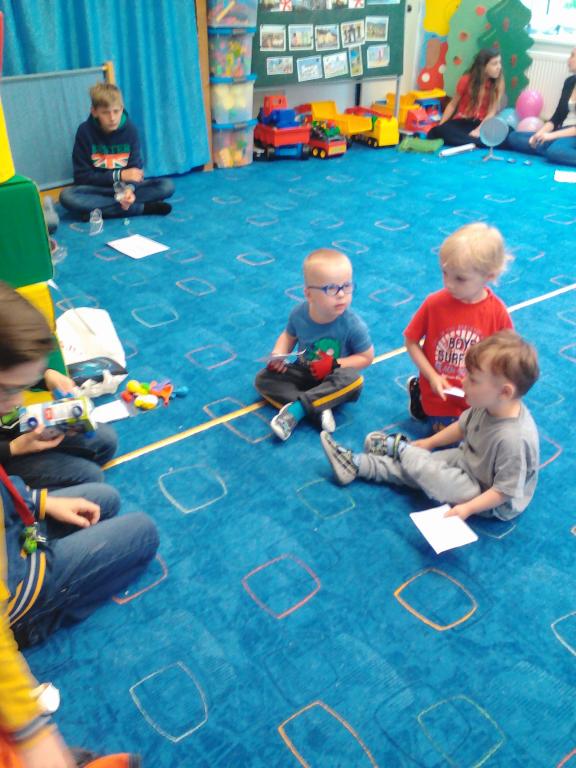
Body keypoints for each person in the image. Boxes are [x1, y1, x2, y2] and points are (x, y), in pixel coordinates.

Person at [0, 298, 159, 768]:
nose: (18, 401)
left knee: (102, 499)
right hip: (13, 584)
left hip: (13, 521)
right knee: (142, 534)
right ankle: (33, 621)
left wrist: (42, 503)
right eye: (9, 390)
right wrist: (32, 732)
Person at [320, 330, 539, 522]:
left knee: (429, 473)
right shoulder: (488, 403)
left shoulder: (514, 440)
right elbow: (461, 427)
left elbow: (503, 491)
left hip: (484, 495)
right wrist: (429, 443)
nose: (463, 382)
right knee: (423, 469)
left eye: (473, 380)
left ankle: (400, 449)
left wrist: (468, 509)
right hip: (466, 459)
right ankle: (356, 464)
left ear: (505, 392)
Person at [0, 282, 118, 492]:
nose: (19, 400)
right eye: (9, 389)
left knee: (104, 441)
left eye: (23, 387)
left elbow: (12, 367)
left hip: (9, 429)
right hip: (6, 453)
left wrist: (46, 376)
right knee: (90, 477)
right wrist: (14, 449)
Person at [404, 222, 513, 434]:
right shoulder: (434, 303)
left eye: (460, 279)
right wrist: (432, 376)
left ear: (489, 276)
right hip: (440, 396)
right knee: (452, 440)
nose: (449, 284)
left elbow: (508, 359)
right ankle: (420, 395)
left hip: (476, 397)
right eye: (445, 273)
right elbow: (411, 342)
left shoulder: (497, 312)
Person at [255, 248, 374, 441]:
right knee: (263, 379)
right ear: (309, 294)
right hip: (304, 371)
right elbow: (288, 336)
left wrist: (333, 364)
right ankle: (318, 407)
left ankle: (298, 409)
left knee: (354, 380)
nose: (341, 295)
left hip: (334, 377)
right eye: (331, 288)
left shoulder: (353, 324)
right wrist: (279, 355)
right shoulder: (299, 314)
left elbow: (366, 357)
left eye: (346, 286)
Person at [59, 82, 174, 221]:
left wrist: (129, 190)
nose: (112, 118)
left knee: (166, 186)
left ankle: (99, 212)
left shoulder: (130, 130)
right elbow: (81, 177)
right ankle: (141, 208)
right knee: (67, 196)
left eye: (116, 111)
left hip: (125, 189)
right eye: (105, 113)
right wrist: (119, 175)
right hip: (98, 190)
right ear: (94, 112)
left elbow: (135, 171)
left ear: (122, 108)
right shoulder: (84, 132)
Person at [506, 47, 576, 166]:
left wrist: (551, 136)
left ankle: (553, 150)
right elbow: (557, 117)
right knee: (514, 137)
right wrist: (540, 133)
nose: (569, 59)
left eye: (573, 56)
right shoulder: (569, 82)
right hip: (561, 133)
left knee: (555, 151)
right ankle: (554, 150)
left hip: (572, 135)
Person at [427, 48, 505, 147]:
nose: (499, 67)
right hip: (463, 122)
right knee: (440, 131)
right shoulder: (466, 80)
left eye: (499, 63)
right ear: (483, 66)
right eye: (494, 64)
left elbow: (491, 112)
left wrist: (478, 130)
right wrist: (441, 125)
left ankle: (474, 141)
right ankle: (479, 142)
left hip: (482, 124)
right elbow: (452, 105)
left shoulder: (498, 83)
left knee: (505, 134)